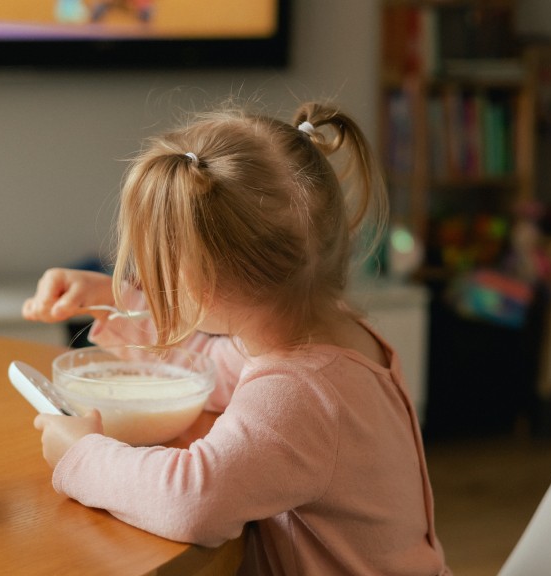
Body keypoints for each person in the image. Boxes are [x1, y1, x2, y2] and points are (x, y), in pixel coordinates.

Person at [22, 101, 451, 576]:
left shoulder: (300, 392)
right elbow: (213, 363)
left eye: (158, 271)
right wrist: (115, 301)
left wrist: (82, 456)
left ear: (202, 285)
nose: (151, 281)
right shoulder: (323, 338)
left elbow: (193, 499)